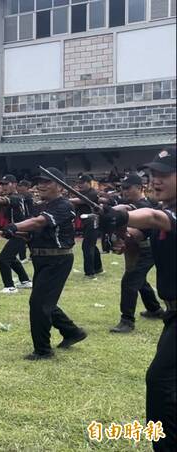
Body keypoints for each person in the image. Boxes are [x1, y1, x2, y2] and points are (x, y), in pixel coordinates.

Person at [99, 148, 175, 452]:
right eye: (153, 174)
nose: (155, 180)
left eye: (164, 174)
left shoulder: (166, 213)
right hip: (172, 314)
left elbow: (155, 219)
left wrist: (122, 214)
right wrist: (121, 233)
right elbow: (142, 233)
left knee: (160, 381)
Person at [3, 167, 87, 360]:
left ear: (60, 186)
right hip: (42, 259)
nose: (41, 185)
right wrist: (18, 232)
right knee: (44, 301)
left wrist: (16, 226)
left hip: (57, 260)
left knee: (39, 303)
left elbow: (39, 223)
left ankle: (43, 350)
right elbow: (35, 230)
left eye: (47, 182)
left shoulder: (64, 206)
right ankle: (72, 332)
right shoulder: (43, 206)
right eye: (39, 181)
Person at [109, 173, 164, 333]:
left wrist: (123, 234)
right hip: (136, 248)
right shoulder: (127, 204)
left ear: (139, 188)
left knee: (130, 280)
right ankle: (154, 309)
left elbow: (141, 229)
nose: (124, 191)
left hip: (147, 249)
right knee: (139, 280)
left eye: (128, 188)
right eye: (122, 188)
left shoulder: (144, 205)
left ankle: (127, 321)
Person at [0, 175, 33, 294]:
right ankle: (25, 280)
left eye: (6, 184)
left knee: (3, 258)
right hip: (16, 232)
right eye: (2, 184)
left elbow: (2, 201)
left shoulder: (17, 197)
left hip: (22, 232)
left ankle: (9, 286)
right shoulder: (10, 196)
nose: (3, 186)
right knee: (11, 257)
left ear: (14, 184)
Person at [72, 174, 103, 279]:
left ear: (89, 183)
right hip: (86, 222)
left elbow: (81, 201)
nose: (79, 185)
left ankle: (90, 273)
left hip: (93, 221)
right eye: (79, 183)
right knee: (92, 245)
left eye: (82, 183)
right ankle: (98, 268)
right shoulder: (81, 193)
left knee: (87, 246)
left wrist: (66, 200)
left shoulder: (92, 193)